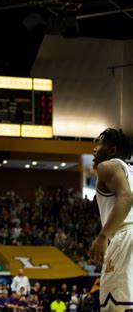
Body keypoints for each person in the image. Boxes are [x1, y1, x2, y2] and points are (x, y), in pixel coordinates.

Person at [89, 128, 133, 311]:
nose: (94, 150)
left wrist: (103, 236)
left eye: (99, 144)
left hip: (125, 236)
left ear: (112, 150)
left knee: (114, 307)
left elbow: (126, 197)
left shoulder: (107, 166)